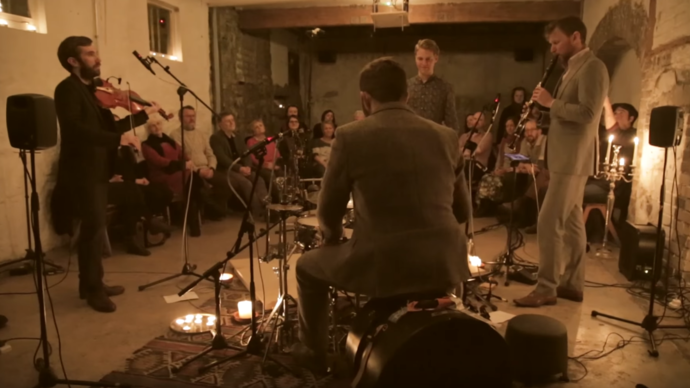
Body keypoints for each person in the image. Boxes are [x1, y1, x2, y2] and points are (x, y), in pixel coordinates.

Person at [292, 57, 471, 372]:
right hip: (445, 261)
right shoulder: (446, 136)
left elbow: (328, 209)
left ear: (365, 97)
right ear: (408, 95)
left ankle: (314, 354)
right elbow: (463, 209)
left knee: (307, 267)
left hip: (385, 264)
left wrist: (332, 238)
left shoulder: (349, 136)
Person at [51, 36, 161, 313]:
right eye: (90, 54)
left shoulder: (93, 90)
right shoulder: (67, 90)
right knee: (93, 230)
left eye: (95, 53)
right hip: (82, 171)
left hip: (100, 170)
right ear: (73, 62)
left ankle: (89, 284)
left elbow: (111, 130)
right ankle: (93, 290)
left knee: (94, 230)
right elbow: (76, 131)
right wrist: (119, 141)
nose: (97, 59)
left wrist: (143, 115)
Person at [514, 16, 609, 307]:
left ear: (576, 38)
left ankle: (546, 288)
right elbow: (567, 116)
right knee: (571, 223)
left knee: (547, 221)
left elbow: (589, 114)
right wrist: (543, 114)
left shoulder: (593, 67)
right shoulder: (572, 69)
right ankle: (572, 284)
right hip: (565, 156)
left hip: (573, 158)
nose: (553, 49)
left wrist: (551, 103)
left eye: (557, 42)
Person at [142, 119, 204, 236]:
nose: (156, 126)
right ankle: (195, 220)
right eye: (152, 125)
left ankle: (192, 219)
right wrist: (181, 165)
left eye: (158, 123)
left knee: (192, 182)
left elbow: (182, 153)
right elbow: (159, 162)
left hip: (177, 172)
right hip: (162, 175)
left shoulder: (170, 140)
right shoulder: (146, 145)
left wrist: (188, 161)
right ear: (148, 129)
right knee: (193, 182)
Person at [171, 106, 229, 219]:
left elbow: (210, 154)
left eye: (193, 116)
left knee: (225, 182)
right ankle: (214, 210)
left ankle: (215, 211)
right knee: (200, 187)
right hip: (192, 170)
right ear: (180, 118)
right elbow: (182, 157)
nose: (192, 119)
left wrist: (211, 168)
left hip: (207, 168)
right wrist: (198, 170)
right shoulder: (175, 135)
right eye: (188, 116)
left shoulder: (201, 134)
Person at [210, 113, 269, 219]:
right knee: (245, 183)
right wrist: (239, 168)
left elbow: (246, 152)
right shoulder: (215, 138)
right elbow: (222, 158)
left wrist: (247, 166)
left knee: (258, 179)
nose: (231, 123)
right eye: (227, 121)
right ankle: (258, 211)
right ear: (220, 124)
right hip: (227, 169)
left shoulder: (238, 136)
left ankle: (267, 205)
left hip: (242, 167)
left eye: (232, 120)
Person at [407, 39, 459, 132]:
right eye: (420, 59)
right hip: (409, 140)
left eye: (428, 59)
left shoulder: (445, 88)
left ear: (436, 58)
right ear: (415, 58)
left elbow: (452, 125)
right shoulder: (406, 86)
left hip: (434, 141)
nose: (424, 63)